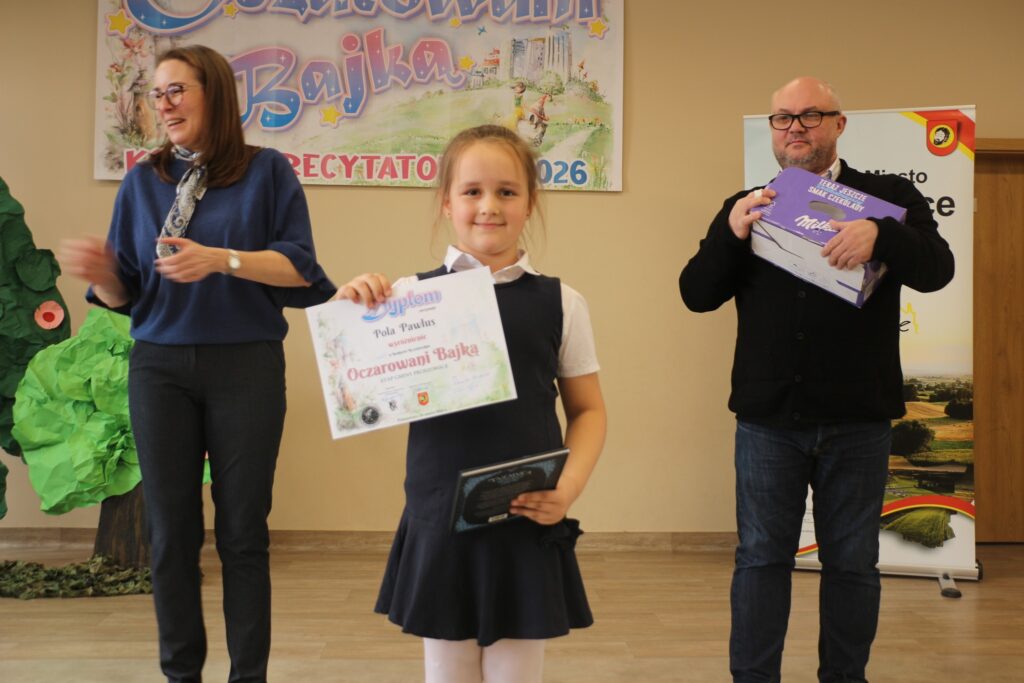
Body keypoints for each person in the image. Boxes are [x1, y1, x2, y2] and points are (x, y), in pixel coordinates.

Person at [59, 45, 335, 683]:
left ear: (214, 92)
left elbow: (301, 269)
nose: (164, 104)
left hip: (246, 366)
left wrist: (222, 259)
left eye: (177, 90)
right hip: (159, 369)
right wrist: (103, 276)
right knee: (171, 534)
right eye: (156, 94)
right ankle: (180, 675)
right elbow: (127, 294)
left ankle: (248, 677)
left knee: (243, 532)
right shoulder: (142, 181)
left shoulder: (268, 172)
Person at [678, 77, 954, 683]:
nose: (795, 127)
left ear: (838, 124)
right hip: (768, 421)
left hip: (859, 418)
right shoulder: (747, 203)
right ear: (772, 130)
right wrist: (731, 232)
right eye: (783, 117)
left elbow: (939, 270)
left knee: (853, 563)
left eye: (810, 115)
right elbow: (696, 293)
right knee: (760, 560)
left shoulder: (888, 197)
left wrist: (882, 234)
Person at [337, 124, 607, 683]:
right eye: (472, 191)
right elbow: (357, 388)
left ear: (530, 202)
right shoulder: (405, 298)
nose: (489, 206)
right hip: (440, 521)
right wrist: (352, 311)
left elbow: (588, 411)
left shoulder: (563, 302)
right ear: (446, 202)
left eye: (507, 191)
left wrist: (568, 489)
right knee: (448, 671)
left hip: (524, 517)